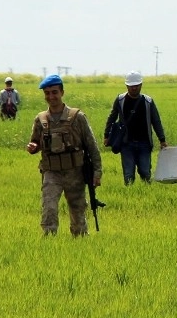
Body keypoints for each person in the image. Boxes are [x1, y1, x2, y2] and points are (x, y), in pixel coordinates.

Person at [25, 74, 103, 236]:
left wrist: (97, 172)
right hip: (51, 172)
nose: (51, 97)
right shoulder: (40, 119)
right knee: (49, 207)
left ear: (62, 93)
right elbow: (36, 143)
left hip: (74, 171)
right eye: (47, 93)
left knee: (77, 209)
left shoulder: (77, 117)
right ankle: (49, 240)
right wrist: (33, 147)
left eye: (54, 92)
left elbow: (92, 146)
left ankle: (80, 240)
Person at [103, 71, 167, 185]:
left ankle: (148, 195)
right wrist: (106, 135)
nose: (134, 88)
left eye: (136, 85)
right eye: (131, 86)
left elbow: (156, 121)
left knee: (145, 173)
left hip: (144, 143)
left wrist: (162, 139)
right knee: (128, 175)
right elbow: (111, 117)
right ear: (127, 86)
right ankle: (129, 196)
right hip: (126, 143)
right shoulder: (120, 100)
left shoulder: (148, 101)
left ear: (141, 85)